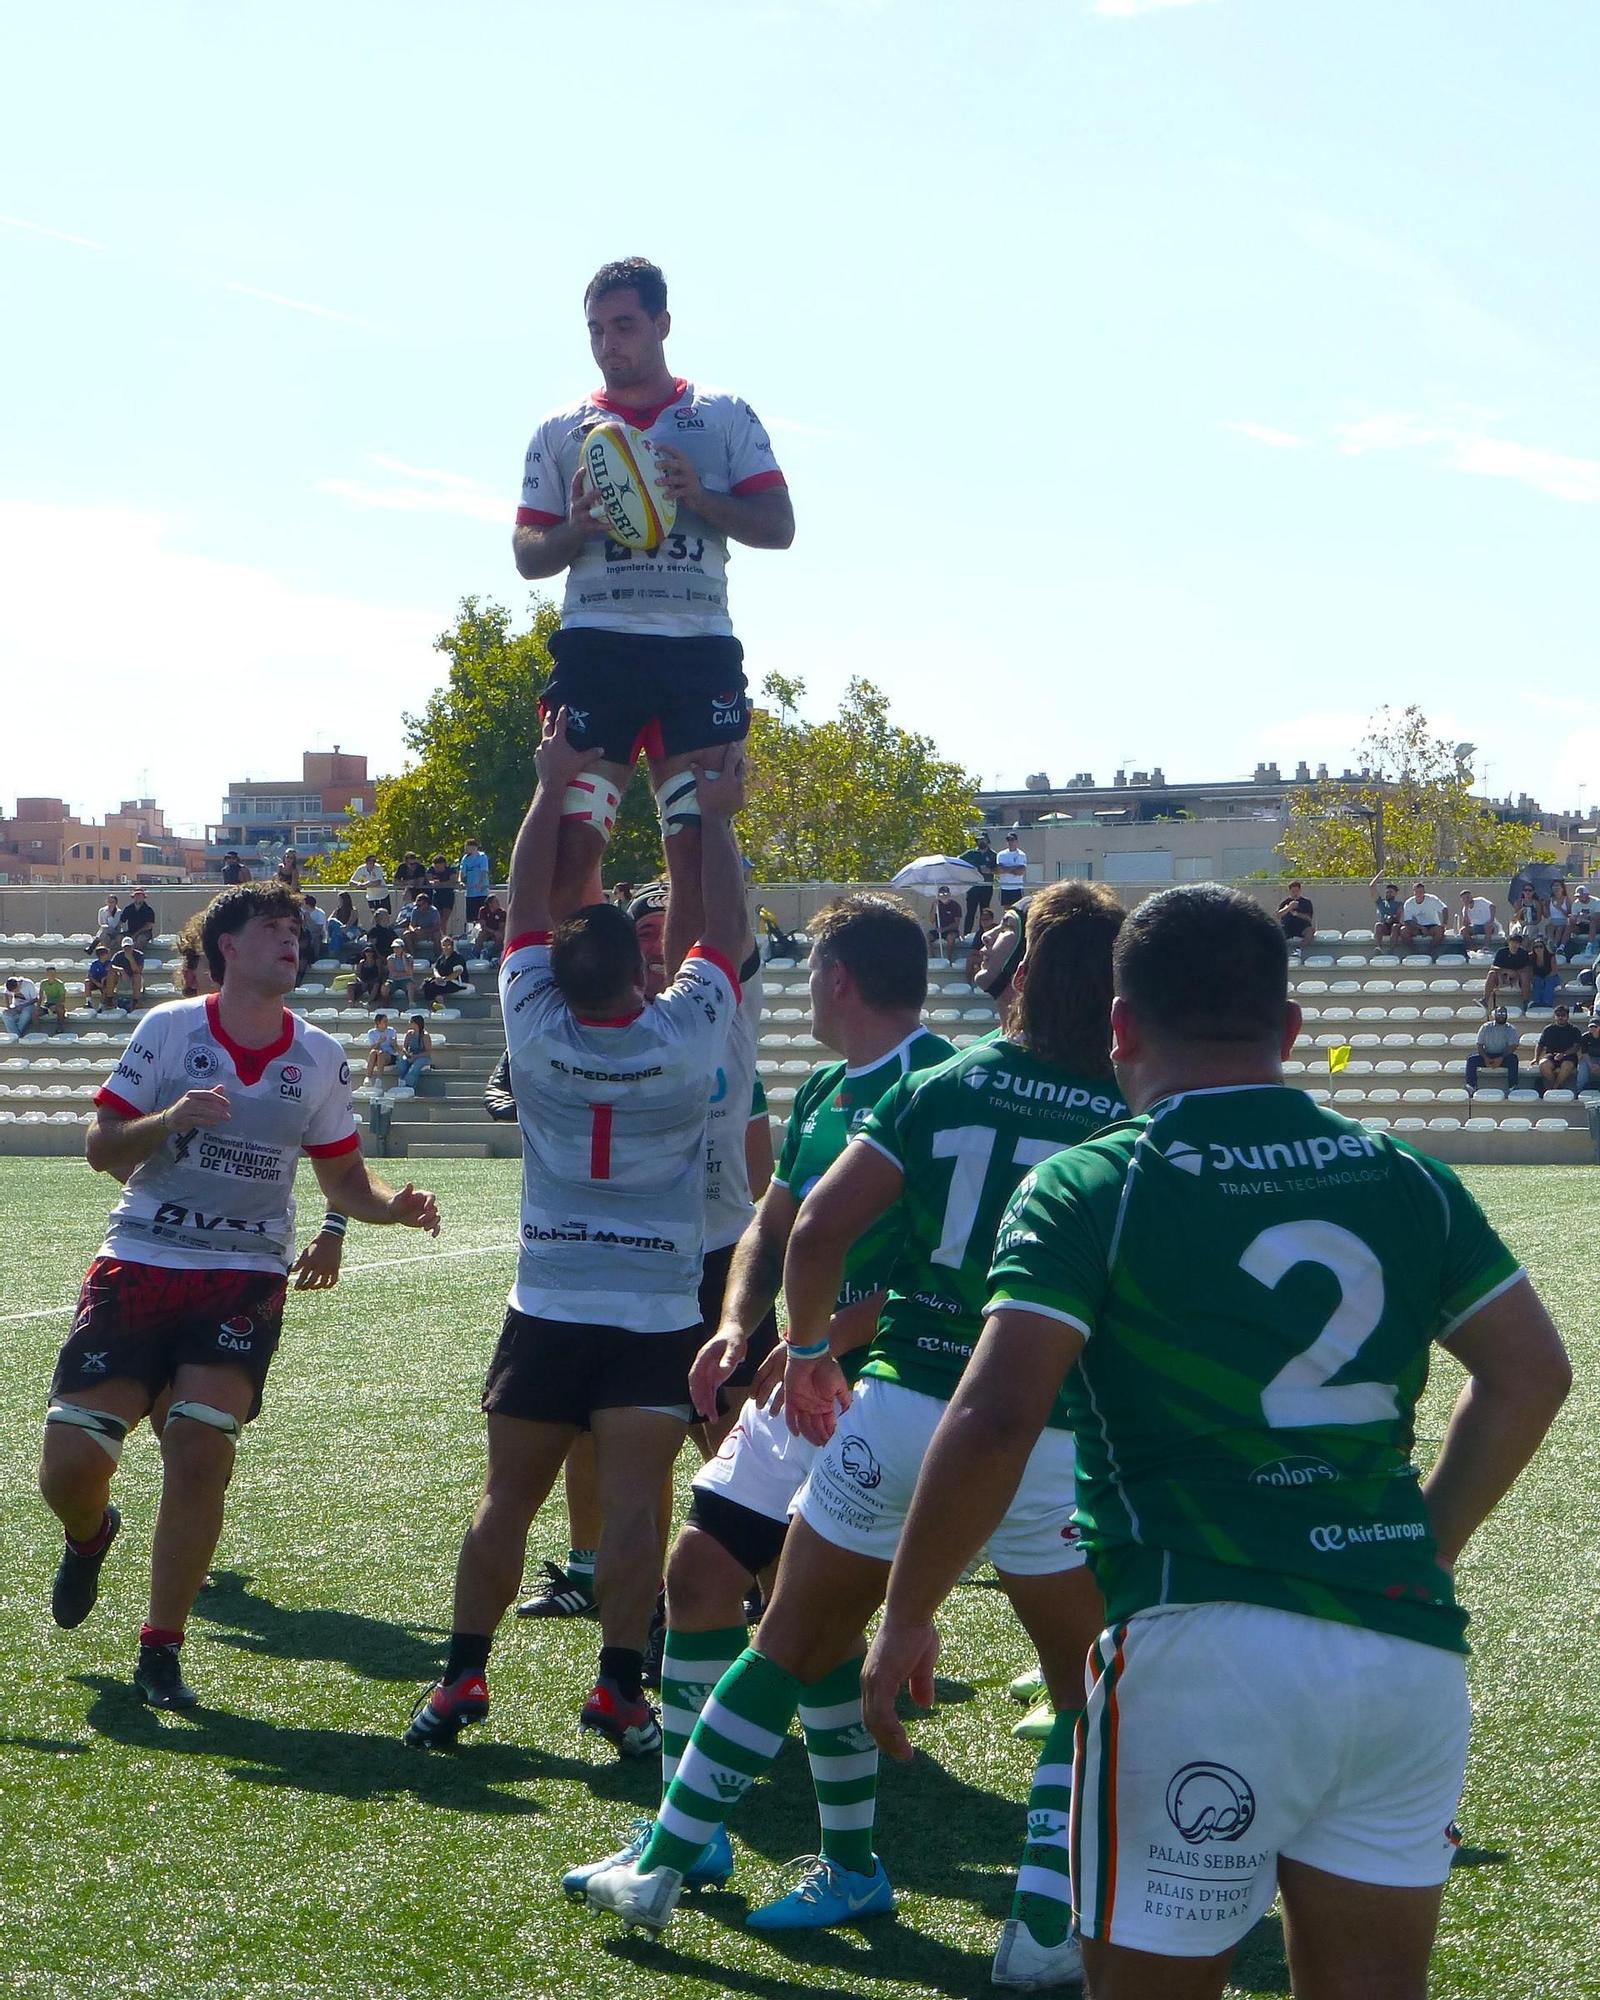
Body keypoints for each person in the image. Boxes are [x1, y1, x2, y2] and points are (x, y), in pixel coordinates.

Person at [855, 883, 1570, 2000]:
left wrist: (905, 1611)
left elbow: (997, 1414)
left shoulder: (1092, 1180)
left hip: (1201, 1640)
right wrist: (1422, 1544)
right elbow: (1532, 1371)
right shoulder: (1406, 1174)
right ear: (1287, 1030)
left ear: (1120, 1028)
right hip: (1400, 1650)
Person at [584, 883, 1127, 1967]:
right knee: (1084, 1684)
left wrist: (813, 1347)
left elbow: (816, 1227)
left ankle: (658, 1861)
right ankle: (1037, 1926)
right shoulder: (1129, 1110)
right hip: (1045, 1429)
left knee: (785, 1637)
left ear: (1018, 976)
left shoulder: (947, 1081)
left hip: (900, 1402)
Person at [565, 893, 955, 1919]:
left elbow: (937, 1276)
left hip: (875, 1387)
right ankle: (690, 1834)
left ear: (836, 978)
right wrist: (739, 1323)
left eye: (809, 970)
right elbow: (768, 1225)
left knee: (807, 1621)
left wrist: (821, 1339)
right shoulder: (828, 1082)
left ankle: (846, 1861)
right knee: (698, 1574)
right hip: (797, 1373)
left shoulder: (940, 1087)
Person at [403, 708, 748, 1761]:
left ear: (554, 975)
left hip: (548, 1297)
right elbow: (722, 938)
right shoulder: (687, 1034)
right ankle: (618, 1692)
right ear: (642, 975)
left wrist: (552, 786)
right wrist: (715, 817)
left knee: (505, 1495)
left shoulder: (534, 1024)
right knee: (636, 1504)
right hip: (653, 1305)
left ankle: (462, 1673)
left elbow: (518, 911)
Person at [38, 882, 440, 1709]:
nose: (292, 940)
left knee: (199, 1448)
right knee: (71, 1466)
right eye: (272, 928)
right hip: (143, 1256)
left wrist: (387, 1208)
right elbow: (101, 1148)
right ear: (227, 947)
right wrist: (173, 1119)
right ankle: (90, 1535)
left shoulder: (319, 1055)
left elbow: (344, 1178)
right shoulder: (169, 1029)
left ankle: (161, 1647)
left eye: (296, 930)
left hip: (244, 1273)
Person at [512, 256, 793, 975]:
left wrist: (698, 497)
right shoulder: (560, 428)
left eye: (626, 326)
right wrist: (575, 528)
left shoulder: (724, 416)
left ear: (663, 324)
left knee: (696, 852)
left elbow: (778, 525)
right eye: (597, 330)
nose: (610, 343)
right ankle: (592, 1019)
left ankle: (681, 1031)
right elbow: (528, 551)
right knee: (572, 851)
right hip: (594, 648)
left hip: (695, 651)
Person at [1466, 1008, 1520, 1094]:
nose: (1501, 1016)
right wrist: (1486, 1058)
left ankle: (1512, 1086)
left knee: (1513, 1059)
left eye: (1503, 1014)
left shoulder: (1511, 1029)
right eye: (1499, 1014)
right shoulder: (1485, 1027)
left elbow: (1513, 1046)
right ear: (1495, 1015)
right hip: (1487, 1055)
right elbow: (1479, 1045)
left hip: (1504, 1056)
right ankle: (1471, 1086)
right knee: (1471, 1060)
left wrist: (1501, 1058)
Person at [1484, 930, 1533, 1016]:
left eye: (1517, 943)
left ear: (1520, 944)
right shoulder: (1501, 952)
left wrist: (1516, 973)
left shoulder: (1523, 953)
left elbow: (1527, 968)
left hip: (1518, 979)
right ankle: (1485, 1000)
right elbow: (1493, 967)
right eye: (1512, 942)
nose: (1514, 945)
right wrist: (1506, 971)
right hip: (1503, 978)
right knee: (1491, 973)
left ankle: (1526, 1001)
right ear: (1508, 942)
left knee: (1525, 975)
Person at [1534, 1005, 1582, 1094]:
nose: (1560, 1017)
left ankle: (1553, 1089)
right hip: (1551, 1055)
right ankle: (1557, 1088)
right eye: (1558, 1015)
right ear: (1555, 1016)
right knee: (1543, 1064)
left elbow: (1576, 1047)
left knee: (1566, 1065)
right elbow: (1540, 1045)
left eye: (1563, 1015)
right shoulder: (1548, 1029)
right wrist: (1536, 1058)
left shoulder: (1574, 1030)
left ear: (1567, 1016)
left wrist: (1563, 1054)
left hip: (1569, 1056)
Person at [959, 832, 997, 935]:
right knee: (970, 912)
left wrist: (990, 870)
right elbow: (958, 861)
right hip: (973, 887)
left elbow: (998, 869)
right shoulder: (970, 854)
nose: (981, 841)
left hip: (986, 887)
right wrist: (973, 868)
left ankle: (982, 935)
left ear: (987, 840)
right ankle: (966, 934)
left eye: (983, 839)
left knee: (984, 912)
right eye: (979, 840)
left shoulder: (993, 855)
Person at [419, 936, 471, 1007]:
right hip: (442, 981)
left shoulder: (457, 958)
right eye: (444, 945)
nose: (446, 948)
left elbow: (458, 971)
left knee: (434, 986)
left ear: (452, 946)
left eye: (448, 946)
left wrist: (444, 980)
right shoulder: (441, 958)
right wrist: (438, 977)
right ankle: (435, 1005)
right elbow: (435, 969)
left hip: (456, 983)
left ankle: (441, 1005)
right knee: (427, 984)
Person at [1400, 880, 1447, 953]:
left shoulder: (1432, 899)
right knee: (1403, 930)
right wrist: (1421, 928)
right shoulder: (1409, 903)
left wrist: (1444, 923)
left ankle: (1430, 951)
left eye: (1421, 892)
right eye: (1417, 892)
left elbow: (1444, 908)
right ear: (1414, 892)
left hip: (1432, 926)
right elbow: (1407, 921)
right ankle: (1414, 951)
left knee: (1440, 931)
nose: (1419, 894)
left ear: (1424, 892)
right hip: (1416, 927)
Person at [1277, 880, 1314, 956]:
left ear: (1300, 891)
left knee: (1310, 931)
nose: (1295, 893)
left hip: (1302, 927)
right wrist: (1289, 908)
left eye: (1297, 891)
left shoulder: (1306, 902)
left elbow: (1309, 918)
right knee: (1276, 934)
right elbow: (1278, 915)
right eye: (1293, 891)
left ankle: (1298, 950)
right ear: (1289, 891)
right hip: (1287, 927)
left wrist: (1297, 914)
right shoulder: (1285, 902)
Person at [401, 891, 442, 959]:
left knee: (437, 935)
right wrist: (414, 930)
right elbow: (411, 925)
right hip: (418, 933)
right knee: (406, 934)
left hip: (430, 933)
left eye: (419, 905)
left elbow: (437, 927)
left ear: (426, 904)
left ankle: (437, 958)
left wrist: (424, 930)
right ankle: (413, 957)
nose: (417, 907)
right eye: (416, 905)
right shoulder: (415, 910)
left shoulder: (434, 911)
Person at [397, 1015, 433, 1090]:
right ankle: (401, 1080)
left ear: (416, 1024)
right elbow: (404, 1047)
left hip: (423, 1057)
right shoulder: (409, 1034)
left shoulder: (425, 1036)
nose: (409, 1023)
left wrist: (415, 1057)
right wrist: (407, 1054)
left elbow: (428, 1052)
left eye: (411, 1022)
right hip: (411, 1055)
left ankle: (408, 1085)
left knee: (415, 1067)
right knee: (402, 1062)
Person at [460, 839, 492, 924]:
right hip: (470, 892)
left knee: (482, 916)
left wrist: (480, 883)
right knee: (471, 917)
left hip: (481, 892)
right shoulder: (465, 859)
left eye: (467, 847)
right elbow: (462, 872)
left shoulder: (482, 857)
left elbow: (484, 871)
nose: (466, 850)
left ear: (474, 847)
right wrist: (461, 882)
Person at [366, 1013, 399, 1091]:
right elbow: (371, 1048)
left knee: (381, 1053)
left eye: (387, 1021)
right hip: (376, 1056)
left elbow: (396, 1049)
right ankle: (368, 1077)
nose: (387, 1023)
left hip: (390, 1056)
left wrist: (394, 1044)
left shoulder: (391, 1031)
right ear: (378, 1023)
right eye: (385, 1021)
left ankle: (379, 1079)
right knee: (373, 1052)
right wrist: (379, 1042)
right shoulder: (371, 1033)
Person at [928, 885, 963, 959]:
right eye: (941, 894)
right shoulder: (936, 904)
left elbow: (956, 924)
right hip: (938, 930)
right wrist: (934, 908)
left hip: (951, 930)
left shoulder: (955, 905)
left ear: (949, 894)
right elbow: (931, 921)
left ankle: (949, 959)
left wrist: (944, 929)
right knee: (926, 937)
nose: (944, 896)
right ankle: (932, 957)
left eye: (946, 894)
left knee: (950, 938)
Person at [1528, 936, 1561, 1010]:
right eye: (1536, 947)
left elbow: (1554, 971)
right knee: (1537, 981)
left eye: (1541, 946)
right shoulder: (1530, 957)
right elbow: (1531, 972)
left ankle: (1547, 1003)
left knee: (1549, 981)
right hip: (1538, 977)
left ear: (1544, 947)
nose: (1538, 949)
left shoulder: (1551, 956)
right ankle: (1537, 1002)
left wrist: (1545, 978)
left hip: (1551, 976)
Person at [426, 853, 458, 928]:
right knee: (438, 918)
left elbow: (453, 881)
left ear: (444, 864)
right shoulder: (431, 869)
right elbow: (428, 879)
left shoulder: (450, 870)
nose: (437, 869)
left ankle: (443, 935)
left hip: (448, 895)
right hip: (437, 895)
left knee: (444, 919)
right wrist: (432, 882)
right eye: (436, 867)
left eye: (439, 867)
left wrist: (441, 884)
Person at [996, 833, 1028, 908]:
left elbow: (1020, 871)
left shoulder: (1021, 854)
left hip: (1017, 887)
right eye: (1008, 840)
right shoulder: (1001, 854)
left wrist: (1006, 869)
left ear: (1016, 841)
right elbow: (999, 870)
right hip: (1005, 888)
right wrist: (1014, 868)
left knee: (1018, 909)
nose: (1010, 842)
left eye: (1012, 840)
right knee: (1007, 911)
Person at [1369, 875, 1403, 946]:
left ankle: (1391, 950)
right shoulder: (1380, 902)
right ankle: (1378, 947)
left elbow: (1398, 917)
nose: (1388, 894)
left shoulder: (1399, 904)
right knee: (1378, 925)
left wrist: (1391, 918)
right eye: (1387, 892)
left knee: (1395, 926)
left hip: (1394, 926)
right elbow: (1371, 886)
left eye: (1391, 892)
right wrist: (1380, 874)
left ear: (1395, 893)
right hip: (1384, 926)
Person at [327, 893, 361, 960]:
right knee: (334, 924)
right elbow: (329, 921)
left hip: (350, 930)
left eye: (340, 899)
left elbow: (350, 923)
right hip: (341, 931)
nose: (339, 901)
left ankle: (332, 953)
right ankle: (334, 953)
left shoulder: (353, 910)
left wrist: (344, 928)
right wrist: (339, 927)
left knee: (336, 934)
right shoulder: (337, 910)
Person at [384, 939, 415, 1011]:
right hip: (393, 980)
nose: (396, 949)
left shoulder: (409, 957)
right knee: (385, 987)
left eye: (398, 947)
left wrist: (404, 959)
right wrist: (405, 973)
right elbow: (393, 973)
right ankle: (385, 1003)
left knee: (410, 985)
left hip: (406, 980)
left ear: (402, 948)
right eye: (394, 948)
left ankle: (411, 1003)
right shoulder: (390, 958)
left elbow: (410, 972)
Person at [37, 967, 69, 1034]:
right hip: (47, 1004)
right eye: (50, 973)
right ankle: (37, 1031)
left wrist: (55, 1006)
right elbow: (40, 996)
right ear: (46, 974)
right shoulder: (43, 983)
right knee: (35, 1013)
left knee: (60, 1009)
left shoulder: (60, 983)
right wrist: (38, 1006)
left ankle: (60, 1028)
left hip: (57, 1004)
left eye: (53, 973)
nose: (52, 975)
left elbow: (63, 998)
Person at [1573, 1014, 1600, 1091]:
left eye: (1595, 1027)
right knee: (1582, 1069)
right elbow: (1584, 1053)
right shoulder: (1585, 1037)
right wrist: (1591, 1065)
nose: (1593, 1029)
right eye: (1591, 1027)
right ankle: (1579, 1091)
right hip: (1589, 1059)